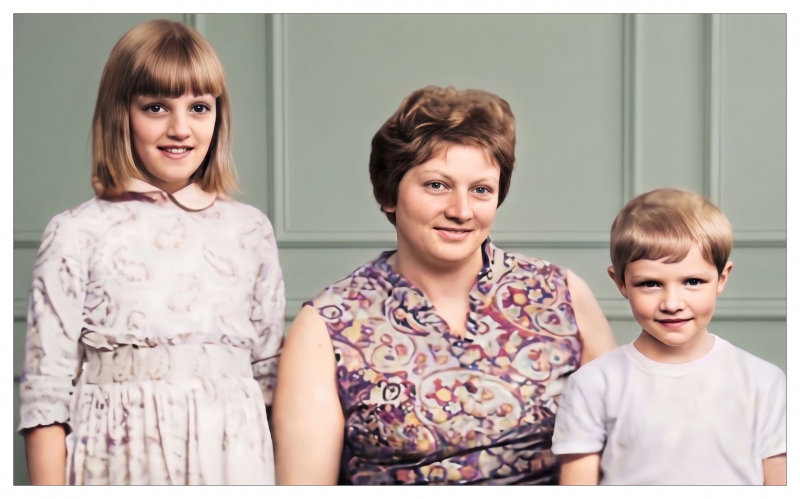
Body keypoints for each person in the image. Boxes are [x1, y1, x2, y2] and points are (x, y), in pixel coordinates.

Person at [273, 85, 617, 485]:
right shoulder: (328, 326)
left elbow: (623, 451)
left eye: (481, 190)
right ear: (389, 194)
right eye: (437, 185)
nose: (461, 211)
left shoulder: (561, 295)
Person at [18, 20, 284, 485]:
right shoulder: (78, 232)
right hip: (117, 464)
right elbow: (45, 397)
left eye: (199, 107)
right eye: (157, 107)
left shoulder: (250, 231)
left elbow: (271, 382)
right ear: (122, 113)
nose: (180, 128)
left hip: (235, 465)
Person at [552, 188, 787, 485]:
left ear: (722, 278)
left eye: (693, 281)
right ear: (621, 283)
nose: (672, 303)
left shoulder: (763, 381)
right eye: (650, 283)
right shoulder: (592, 384)